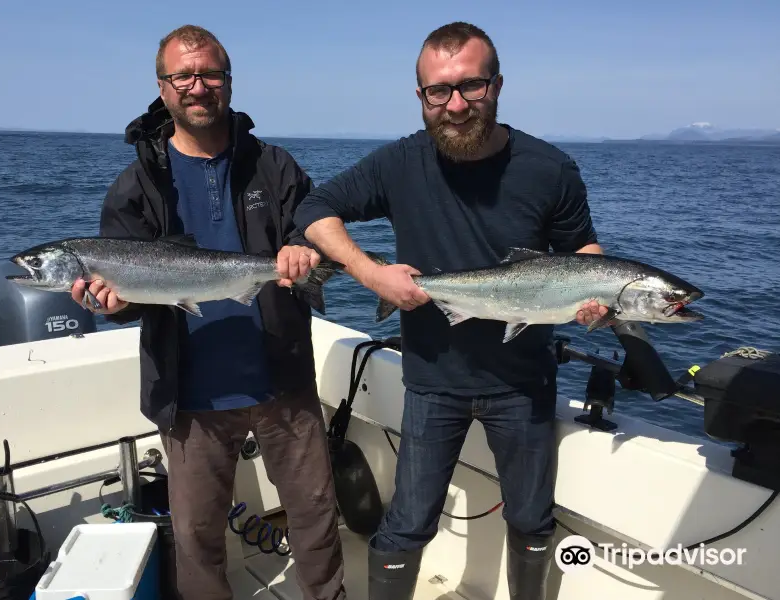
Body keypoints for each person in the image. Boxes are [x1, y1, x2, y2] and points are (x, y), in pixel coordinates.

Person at [292, 21, 606, 600]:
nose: (456, 105)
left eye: (471, 86)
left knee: (532, 520)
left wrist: (599, 291)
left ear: (498, 85)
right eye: (439, 91)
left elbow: (582, 248)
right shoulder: (399, 164)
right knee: (409, 522)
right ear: (421, 97)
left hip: (524, 379)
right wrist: (371, 274)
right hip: (434, 378)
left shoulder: (549, 168)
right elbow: (314, 209)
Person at [70, 25, 346, 600]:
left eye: (209, 74)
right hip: (190, 393)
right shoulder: (137, 184)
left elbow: (315, 227)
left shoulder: (273, 166)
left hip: (282, 379)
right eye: (183, 76)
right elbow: (125, 296)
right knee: (196, 536)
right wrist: (113, 304)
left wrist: (306, 249)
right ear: (163, 87)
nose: (198, 86)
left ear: (227, 81)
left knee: (316, 516)